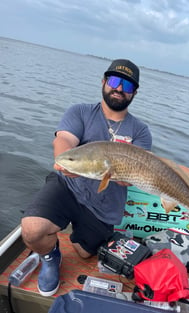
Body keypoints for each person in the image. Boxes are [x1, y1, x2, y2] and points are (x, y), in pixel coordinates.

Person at [21, 59, 152, 297]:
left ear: (135, 92)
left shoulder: (140, 131)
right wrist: (65, 161)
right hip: (68, 187)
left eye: (127, 85)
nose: (119, 89)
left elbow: (134, 174)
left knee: (83, 252)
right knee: (32, 230)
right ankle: (51, 258)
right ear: (104, 82)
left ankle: (78, 232)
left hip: (104, 204)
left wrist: (125, 174)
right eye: (114, 81)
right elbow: (64, 140)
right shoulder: (80, 111)